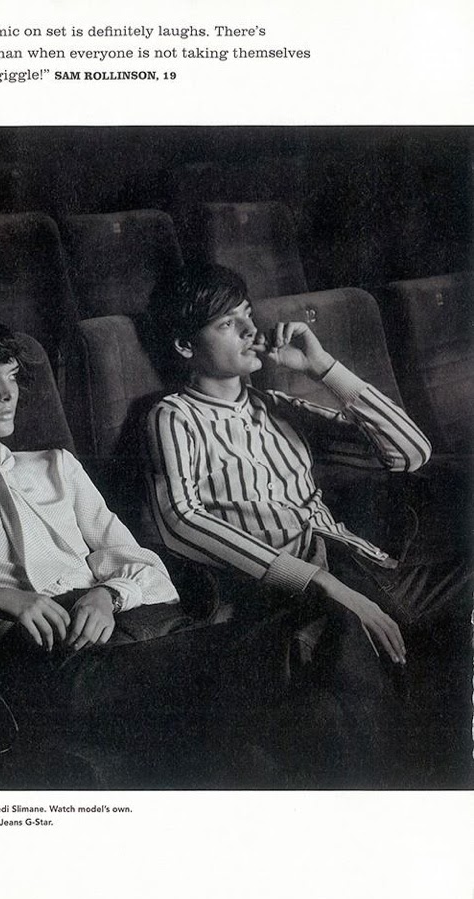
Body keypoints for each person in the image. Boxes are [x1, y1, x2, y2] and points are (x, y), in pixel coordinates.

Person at [0, 313, 302, 788]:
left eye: (12, 376)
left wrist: (108, 595)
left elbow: (145, 566)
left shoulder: (57, 466)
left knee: (269, 711)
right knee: (275, 661)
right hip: (45, 656)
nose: (8, 393)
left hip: (133, 628)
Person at [143, 263, 472, 785]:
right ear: (185, 346)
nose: (250, 330)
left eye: (247, 315)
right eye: (227, 323)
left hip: (365, 567)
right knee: (359, 694)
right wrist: (318, 581)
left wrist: (321, 367)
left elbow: (410, 453)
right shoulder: (174, 416)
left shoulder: (278, 406)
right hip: (289, 595)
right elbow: (180, 519)